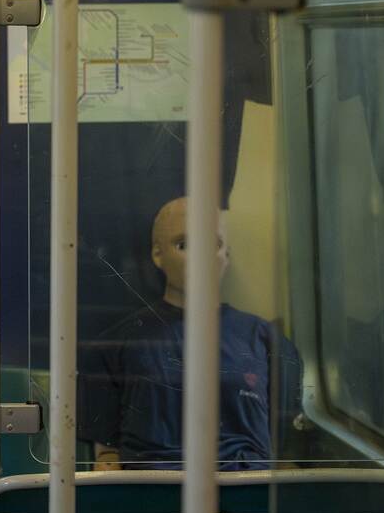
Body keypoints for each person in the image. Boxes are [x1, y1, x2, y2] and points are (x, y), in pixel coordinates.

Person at [79, 197, 302, 471]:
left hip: (247, 496)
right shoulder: (114, 345)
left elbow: (285, 454)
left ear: (226, 256)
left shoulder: (268, 342)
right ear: (157, 254)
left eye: (213, 245)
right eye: (184, 245)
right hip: (150, 497)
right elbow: (107, 459)